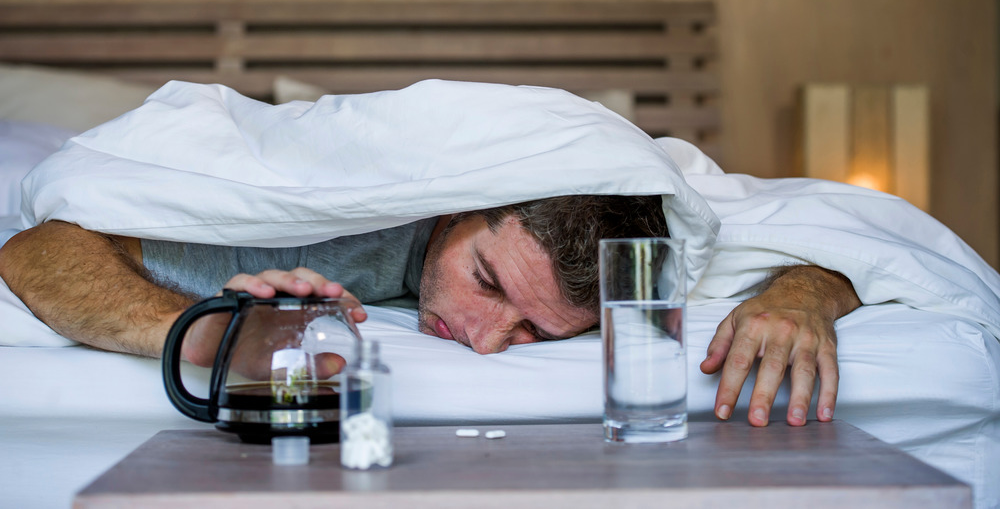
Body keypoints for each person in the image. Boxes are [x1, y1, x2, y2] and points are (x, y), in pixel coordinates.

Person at [0, 193, 859, 429]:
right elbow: (36, 252)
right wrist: (217, 336)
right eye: (485, 279)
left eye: (531, 331)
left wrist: (804, 289)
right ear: (458, 206)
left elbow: (860, 230)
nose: (484, 341)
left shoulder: (643, 238)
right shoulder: (344, 216)